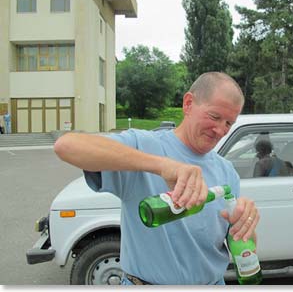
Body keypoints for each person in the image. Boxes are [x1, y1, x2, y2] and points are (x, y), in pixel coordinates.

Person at [54, 72, 260, 285]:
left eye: (228, 123)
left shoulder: (226, 171)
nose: (220, 130)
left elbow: (241, 245)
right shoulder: (145, 145)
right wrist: (163, 166)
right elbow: (66, 146)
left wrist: (247, 226)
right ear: (188, 103)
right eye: (215, 117)